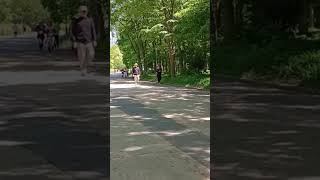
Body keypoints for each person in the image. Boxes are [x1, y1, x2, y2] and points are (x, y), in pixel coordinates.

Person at [71, 5, 97, 76]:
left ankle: (86, 65)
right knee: (82, 57)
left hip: (89, 41)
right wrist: (74, 41)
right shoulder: (76, 21)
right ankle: (83, 69)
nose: (84, 12)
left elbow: (93, 30)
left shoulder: (90, 20)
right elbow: (73, 32)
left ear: (87, 12)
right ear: (79, 12)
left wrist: (94, 40)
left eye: (85, 11)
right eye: (82, 11)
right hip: (80, 42)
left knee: (91, 54)